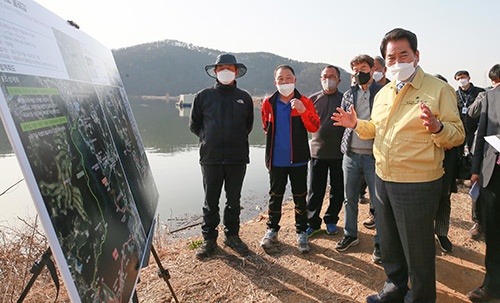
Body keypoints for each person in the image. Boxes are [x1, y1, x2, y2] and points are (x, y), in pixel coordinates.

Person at [332, 28, 464, 303]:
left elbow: (457, 134)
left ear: (416, 55)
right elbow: (375, 130)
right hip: (383, 178)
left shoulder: (438, 90)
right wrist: (356, 125)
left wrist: (438, 127)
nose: (397, 61)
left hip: (418, 181)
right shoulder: (384, 93)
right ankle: (394, 290)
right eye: (391, 57)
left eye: (403, 54)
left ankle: (420, 297)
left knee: (417, 249)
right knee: (390, 244)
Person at [189, 53, 254, 259]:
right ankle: (209, 240)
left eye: (230, 68)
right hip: (211, 158)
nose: (225, 72)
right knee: (211, 200)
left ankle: (232, 235)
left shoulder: (244, 97)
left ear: (236, 72)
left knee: (234, 200)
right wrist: (210, 139)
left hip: (237, 158)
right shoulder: (203, 96)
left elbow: (248, 126)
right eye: (221, 68)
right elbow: (194, 125)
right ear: (215, 72)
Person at [260, 64, 320, 253]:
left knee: (300, 197)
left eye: (288, 78)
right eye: (280, 79)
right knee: (275, 196)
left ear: (295, 80)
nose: (284, 82)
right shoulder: (268, 102)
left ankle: (301, 231)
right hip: (276, 159)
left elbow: (314, 127)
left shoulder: (304, 101)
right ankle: (272, 229)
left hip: (299, 159)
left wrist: (303, 111)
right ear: (275, 82)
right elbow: (265, 126)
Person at [335, 55, 383, 265]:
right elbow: (345, 120)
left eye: (363, 67)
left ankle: (381, 242)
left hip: (374, 155)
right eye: (355, 69)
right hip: (351, 154)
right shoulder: (348, 93)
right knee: (350, 197)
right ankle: (350, 234)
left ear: (372, 69)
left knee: (379, 201)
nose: (359, 72)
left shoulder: (383, 93)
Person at [468, 63, 500, 303]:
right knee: (494, 234)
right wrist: (476, 169)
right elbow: (481, 135)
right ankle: (492, 285)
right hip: (493, 177)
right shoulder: (490, 97)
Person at [306, 65, 345, 238]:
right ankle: (312, 222)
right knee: (315, 189)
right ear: (320, 79)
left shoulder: (344, 99)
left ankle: (331, 220)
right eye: (324, 77)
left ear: (338, 80)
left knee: (337, 190)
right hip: (317, 152)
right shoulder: (312, 99)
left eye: (332, 76)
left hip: (340, 154)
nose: (327, 80)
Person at [360, 55, 393, 231]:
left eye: (377, 68)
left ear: (384, 69)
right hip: (370, 146)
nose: (374, 72)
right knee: (375, 187)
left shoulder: (392, 89)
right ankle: (374, 214)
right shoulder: (367, 90)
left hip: (388, 146)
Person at [455, 70, 485, 240]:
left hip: (481, 138)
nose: (461, 81)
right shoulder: (483, 97)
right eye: (458, 79)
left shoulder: (480, 92)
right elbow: (472, 114)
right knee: (477, 180)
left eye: (463, 78)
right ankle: (478, 222)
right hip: (467, 131)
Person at [433, 74, 461, 253]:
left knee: (444, 198)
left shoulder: (453, 110)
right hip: (425, 163)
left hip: (447, 162)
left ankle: (442, 233)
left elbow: (460, 135)